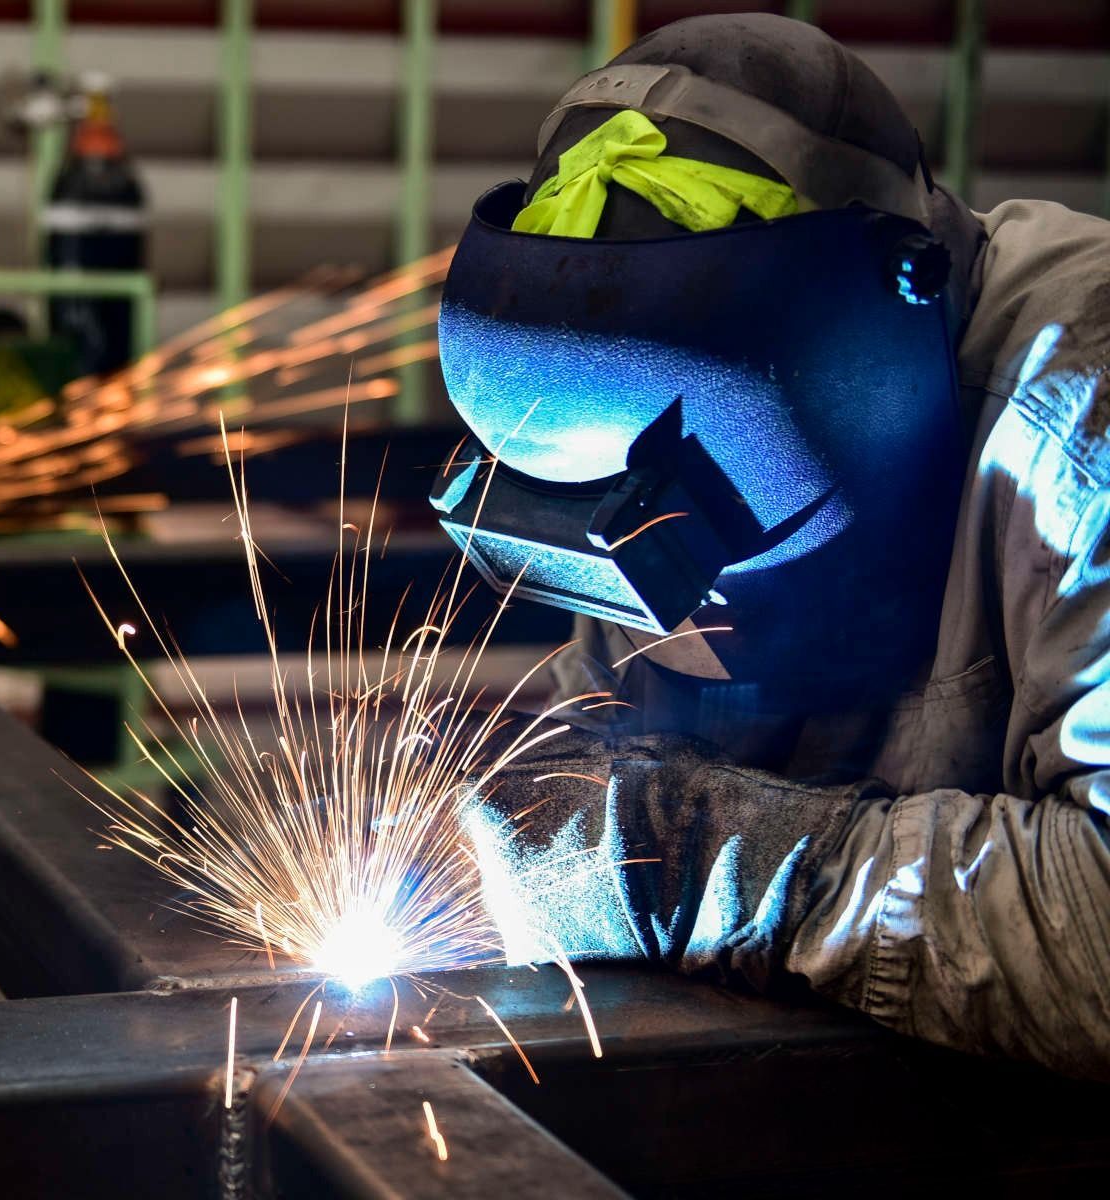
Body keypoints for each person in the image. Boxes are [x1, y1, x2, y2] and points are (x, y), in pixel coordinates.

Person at [437, 14, 1110, 1079]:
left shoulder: (1082, 421)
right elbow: (611, 754)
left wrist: (725, 869)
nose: (674, 599)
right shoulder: (665, 436)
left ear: (850, 369)